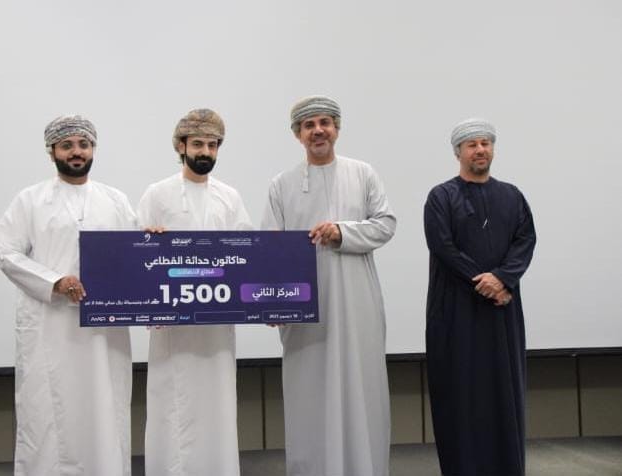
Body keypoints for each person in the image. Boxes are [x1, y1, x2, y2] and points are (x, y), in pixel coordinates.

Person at [0, 115, 136, 476]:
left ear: (93, 150)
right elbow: (6, 251)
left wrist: (155, 238)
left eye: (83, 145)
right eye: (67, 145)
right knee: (48, 415)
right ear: (52, 151)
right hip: (50, 328)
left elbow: (137, 253)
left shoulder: (115, 200)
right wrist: (55, 282)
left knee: (105, 409)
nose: (77, 152)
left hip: (104, 333)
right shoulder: (30, 200)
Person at [262, 96, 396, 476]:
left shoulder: (363, 173)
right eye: (309, 125)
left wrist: (342, 232)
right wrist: (272, 301)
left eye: (324, 123)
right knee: (309, 393)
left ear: (337, 128)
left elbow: (385, 224)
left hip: (357, 303)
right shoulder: (282, 184)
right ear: (298, 135)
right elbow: (270, 245)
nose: (318, 130)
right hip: (306, 313)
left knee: (362, 389)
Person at [136, 109, 252, 476]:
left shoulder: (230, 197)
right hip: (172, 328)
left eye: (212, 145)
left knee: (218, 405)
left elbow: (247, 254)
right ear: (180, 146)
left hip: (217, 328)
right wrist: (149, 241)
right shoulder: (157, 193)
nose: (205, 151)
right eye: (198, 143)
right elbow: (136, 255)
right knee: (171, 406)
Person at [424, 118, 537, 476]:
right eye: (472, 144)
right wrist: (484, 281)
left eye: (485, 143)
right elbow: (443, 247)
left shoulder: (512, 196)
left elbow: (525, 240)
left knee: (504, 393)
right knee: (460, 395)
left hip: (502, 312)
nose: (480, 150)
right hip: (455, 312)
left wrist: (503, 279)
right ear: (458, 152)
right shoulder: (441, 197)